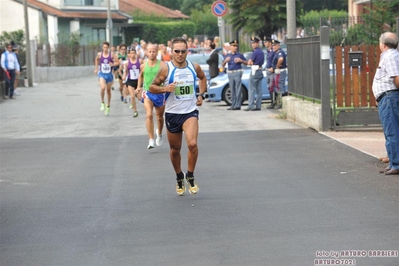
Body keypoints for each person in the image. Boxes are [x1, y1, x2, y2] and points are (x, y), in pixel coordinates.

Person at [149, 37, 207, 196]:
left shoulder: (194, 67)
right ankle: (179, 176)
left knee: (193, 144)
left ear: (187, 51)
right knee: (175, 150)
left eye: (183, 51)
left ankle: (190, 175)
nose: (180, 54)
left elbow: (202, 78)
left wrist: (201, 95)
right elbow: (152, 87)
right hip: (172, 113)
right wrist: (166, 88)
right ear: (171, 52)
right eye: (177, 51)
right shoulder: (166, 69)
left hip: (190, 112)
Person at [372, 32, 399, 175]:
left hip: (389, 97)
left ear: (383, 44)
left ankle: (396, 164)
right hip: (387, 98)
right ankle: (393, 161)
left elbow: (397, 78)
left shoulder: (390, 56)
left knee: (392, 131)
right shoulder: (391, 56)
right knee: (391, 131)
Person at [137, 44, 166, 149]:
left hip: (159, 94)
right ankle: (151, 140)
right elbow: (140, 75)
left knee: (159, 117)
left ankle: (159, 133)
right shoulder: (143, 65)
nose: (152, 53)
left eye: (154, 51)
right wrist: (138, 87)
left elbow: (166, 78)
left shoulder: (162, 65)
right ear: (147, 52)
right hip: (147, 93)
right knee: (149, 115)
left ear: (157, 52)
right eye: (150, 51)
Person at [94, 41, 119, 115]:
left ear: (108, 48)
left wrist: (113, 64)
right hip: (102, 74)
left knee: (108, 91)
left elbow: (118, 62)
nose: (105, 49)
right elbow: (96, 59)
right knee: (102, 88)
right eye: (104, 47)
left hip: (109, 75)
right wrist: (96, 68)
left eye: (106, 47)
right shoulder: (99, 54)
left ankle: (108, 105)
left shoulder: (111, 54)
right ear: (102, 47)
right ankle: (102, 102)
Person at [222, 40, 247, 110]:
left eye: (236, 46)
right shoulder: (227, 55)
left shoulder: (239, 55)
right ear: (230, 47)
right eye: (233, 46)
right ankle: (233, 104)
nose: (235, 47)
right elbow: (222, 65)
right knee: (232, 89)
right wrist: (225, 61)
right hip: (230, 73)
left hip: (237, 72)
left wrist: (241, 61)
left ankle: (238, 105)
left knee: (238, 89)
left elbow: (247, 62)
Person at [245, 37, 264, 111]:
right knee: (259, 89)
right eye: (252, 43)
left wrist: (251, 63)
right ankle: (258, 105)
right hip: (260, 70)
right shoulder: (261, 52)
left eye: (254, 43)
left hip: (254, 71)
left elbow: (249, 62)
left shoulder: (255, 52)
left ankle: (251, 105)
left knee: (251, 89)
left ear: (258, 43)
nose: (253, 45)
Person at [122, 47, 141, 118]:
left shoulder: (140, 61)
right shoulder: (127, 63)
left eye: (134, 53)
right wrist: (124, 76)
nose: (132, 55)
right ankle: (135, 111)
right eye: (131, 53)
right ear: (129, 54)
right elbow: (126, 71)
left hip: (138, 81)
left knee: (139, 98)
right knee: (132, 96)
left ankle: (135, 94)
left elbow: (142, 71)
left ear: (136, 54)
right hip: (130, 81)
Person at [271, 39, 287, 109]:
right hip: (278, 71)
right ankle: (279, 102)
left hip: (280, 71)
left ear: (278, 45)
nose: (273, 47)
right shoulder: (277, 52)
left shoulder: (280, 52)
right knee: (278, 86)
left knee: (280, 86)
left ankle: (281, 103)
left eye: (275, 45)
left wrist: (277, 66)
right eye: (273, 46)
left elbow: (281, 59)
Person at [264, 37, 276, 109]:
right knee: (269, 87)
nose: (264, 43)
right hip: (267, 70)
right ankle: (272, 101)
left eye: (266, 42)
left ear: (269, 42)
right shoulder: (268, 51)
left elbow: (276, 60)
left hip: (272, 71)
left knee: (272, 86)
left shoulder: (273, 51)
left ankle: (274, 102)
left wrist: (273, 68)